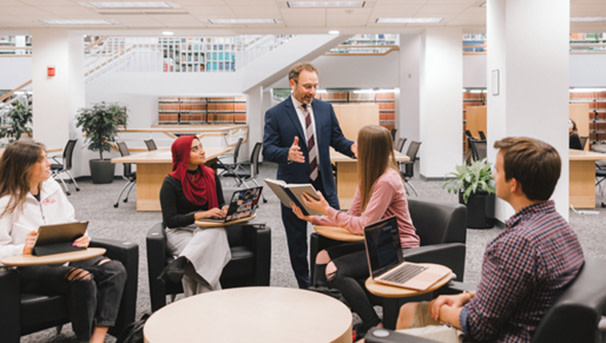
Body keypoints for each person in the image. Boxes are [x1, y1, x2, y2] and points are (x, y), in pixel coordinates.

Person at [393, 137, 584, 343]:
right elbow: (513, 289)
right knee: (408, 311)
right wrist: (466, 297)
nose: (493, 175)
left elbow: (478, 326)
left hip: (504, 336)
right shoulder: (560, 227)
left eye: (498, 170)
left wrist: (442, 311)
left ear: (514, 184)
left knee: (384, 334)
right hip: (523, 320)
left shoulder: (515, 244)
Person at [292, 124, 419, 336]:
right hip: (377, 240)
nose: (354, 146)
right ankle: (328, 316)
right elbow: (351, 217)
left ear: (369, 149)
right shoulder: (369, 174)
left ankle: (374, 324)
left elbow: (362, 225)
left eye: (358, 143)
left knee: (334, 270)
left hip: (398, 246)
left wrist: (326, 209)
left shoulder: (387, 180)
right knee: (323, 256)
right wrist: (312, 216)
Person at [0, 140, 127, 343]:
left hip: (64, 256)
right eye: (42, 160)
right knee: (81, 278)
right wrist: (22, 248)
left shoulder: (52, 188)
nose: (49, 163)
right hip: (26, 269)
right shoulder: (5, 202)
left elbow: (70, 221)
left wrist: (82, 237)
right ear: (24, 166)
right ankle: (84, 339)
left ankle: (98, 337)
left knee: (115, 269)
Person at [263, 61, 356, 289]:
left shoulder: (325, 109)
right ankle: (305, 287)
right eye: (307, 86)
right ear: (292, 84)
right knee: (297, 243)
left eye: (315, 86)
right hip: (294, 188)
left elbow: (337, 139)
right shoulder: (275, 114)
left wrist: (354, 148)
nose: (312, 92)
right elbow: (267, 149)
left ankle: (329, 283)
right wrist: (286, 153)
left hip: (324, 186)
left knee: (333, 236)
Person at [159, 135, 231, 296]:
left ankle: (182, 261)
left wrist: (224, 209)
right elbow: (170, 221)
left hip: (209, 228)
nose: (202, 151)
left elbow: (219, 204)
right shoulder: (170, 183)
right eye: (195, 149)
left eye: (201, 146)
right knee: (202, 261)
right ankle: (210, 308)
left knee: (215, 234)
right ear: (183, 155)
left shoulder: (211, 175)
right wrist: (200, 215)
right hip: (180, 230)